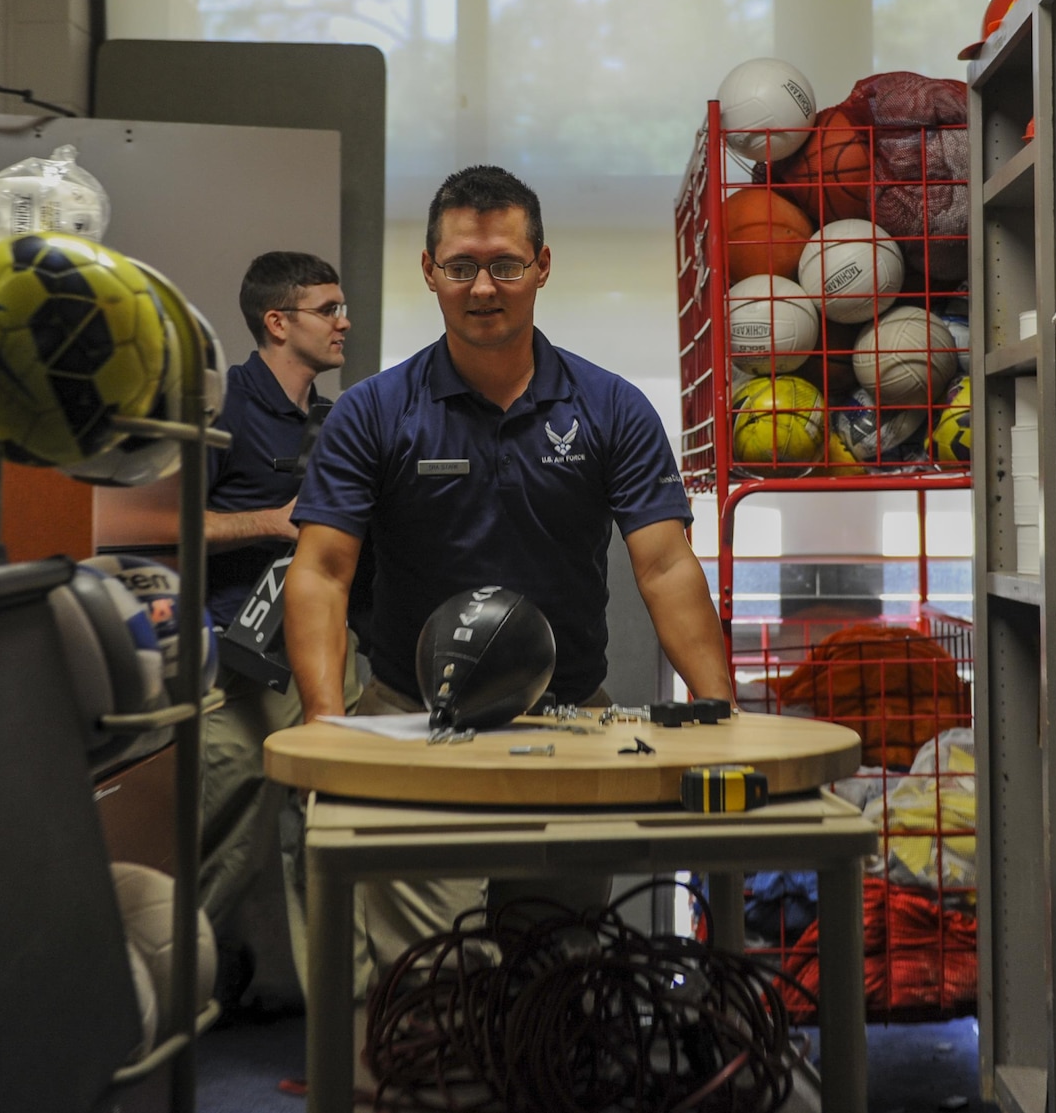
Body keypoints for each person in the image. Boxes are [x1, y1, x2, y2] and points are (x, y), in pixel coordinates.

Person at [284, 164, 735, 988]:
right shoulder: (374, 413)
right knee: (431, 977)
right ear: (430, 271)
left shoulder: (611, 408)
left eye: (504, 264)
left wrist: (725, 715)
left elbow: (667, 566)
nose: (483, 286)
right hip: (412, 720)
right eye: (461, 265)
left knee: (559, 967)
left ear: (542, 265)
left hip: (570, 718)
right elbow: (320, 570)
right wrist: (325, 726)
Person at [159, 250, 368, 1000]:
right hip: (234, 656)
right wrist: (271, 522)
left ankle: (340, 1027)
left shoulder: (335, 417)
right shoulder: (221, 405)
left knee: (338, 820)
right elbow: (162, 523)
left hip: (323, 646)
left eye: (344, 308)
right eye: (329, 309)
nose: (345, 322)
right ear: (278, 322)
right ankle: (165, 998)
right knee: (228, 817)